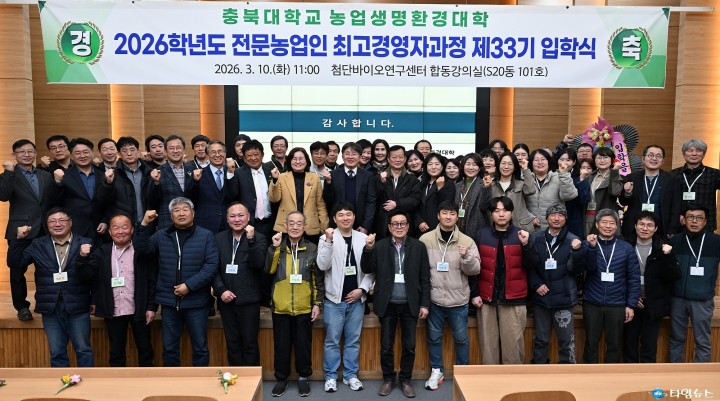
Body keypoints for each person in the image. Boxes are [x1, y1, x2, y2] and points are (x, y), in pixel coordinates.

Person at [134, 198, 219, 367]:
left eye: (185, 209)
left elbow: (211, 266)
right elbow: (142, 249)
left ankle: (200, 381)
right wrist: (144, 224)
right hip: (169, 303)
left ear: (193, 213)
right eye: (176, 210)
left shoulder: (206, 235)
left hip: (196, 302)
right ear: (171, 215)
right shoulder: (161, 235)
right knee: (169, 349)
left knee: (200, 348)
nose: (181, 213)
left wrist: (189, 286)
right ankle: (172, 382)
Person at [8, 208, 94, 367]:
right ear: (47, 225)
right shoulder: (38, 244)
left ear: (70, 223)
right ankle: (61, 382)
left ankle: (87, 382)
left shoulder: (85, 243)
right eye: (52, 221)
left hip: (78, 305)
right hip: (50, 307)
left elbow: (93, 275)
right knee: (57, 352)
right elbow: (15, 264)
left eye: (62, 220)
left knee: (83, 350)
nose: (57, 224)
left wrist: (83, 258)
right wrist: (18, 239)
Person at [361, 209, 430, 398]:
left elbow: (425, 277)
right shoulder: (380, 246)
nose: (399, 227)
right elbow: (367, 268)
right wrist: (368, 249)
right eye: (395, 224)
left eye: (403, 223)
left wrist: (425, 304)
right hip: (387, 303)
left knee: (409, 346)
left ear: (408, 226)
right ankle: (388, 379)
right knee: (386, 346)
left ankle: (405, 380)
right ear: (389, 227)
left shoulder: (418, 246)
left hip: (410, 303)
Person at [78, 213, 156, 367]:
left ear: (132, 230)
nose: (120, 231)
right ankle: (118, 381)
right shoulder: (102, 251)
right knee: (116, 352)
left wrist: (151, 307)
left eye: (125, 227)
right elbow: (86, 275)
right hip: (113, 309)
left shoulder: (141, 251)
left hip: (139, 309)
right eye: (116, 228)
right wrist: (82, 257)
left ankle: (147, 378)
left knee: (145, 349)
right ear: (110, 231)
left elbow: (152, 281)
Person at [419, 201, 480, 390]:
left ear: (457, 216)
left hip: (458, 300)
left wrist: (467, 257)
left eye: (452, 213)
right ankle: (436, 370)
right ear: (438, 215)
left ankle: (463, 371)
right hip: (434, 299)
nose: (448, 216)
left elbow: (475, 270)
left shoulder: (467, 241)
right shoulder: (425, 239)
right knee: (434, 338)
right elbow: (420, 270)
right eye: (444, 213)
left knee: (461, 339)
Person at [1, 139, 62, 320]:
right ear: (14, 155)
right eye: (22, 152)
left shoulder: (45, 175)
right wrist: (8, 172)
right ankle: (21, 307)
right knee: (17, 270)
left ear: (35, 153)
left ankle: (42, 303)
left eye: (30, 151)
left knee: (44, 269)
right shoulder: (8, 175)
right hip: (21, 230)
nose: (26, 155)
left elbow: (53, 200)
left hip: (44, 229)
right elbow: (3, 196)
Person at [317, 202, 374, 393]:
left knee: (353, 341)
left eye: (348, 214)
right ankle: (331, 376)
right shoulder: (326, 237)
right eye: (340, 215)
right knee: (332, 341)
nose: (345, 218)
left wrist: (362, 290)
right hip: (334, 300)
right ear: (334, 219)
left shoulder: (363, 238)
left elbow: (371, 270)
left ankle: (351, 375)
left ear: (354, 217)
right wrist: (328, 241)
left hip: (356, 301)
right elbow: (322, 265)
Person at [266, 212, 323, 398]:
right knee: (281, 345)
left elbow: (317, 279)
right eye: (291, 223)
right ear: (285, 226)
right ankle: (281, 379)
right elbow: (269, 269)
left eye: (299, 223)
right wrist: (274, 248)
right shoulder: (278, 247)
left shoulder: (312, 248)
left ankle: (303, 378)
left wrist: (317, 303)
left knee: (303, 345)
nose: (295, 227)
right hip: (281, 306)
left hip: (303, 306)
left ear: (305, 226)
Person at [472, 196, 534, 365]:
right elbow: (474, 269)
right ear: (491, 214)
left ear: (511, 213)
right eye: (496, 211)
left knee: (513, 346)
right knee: (488, 346)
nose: (501, 214)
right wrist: (475, 293)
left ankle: (512, 379)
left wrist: (526, 245)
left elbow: (531, 265)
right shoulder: (481, 234)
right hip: (486, 297)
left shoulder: (521, 234)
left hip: (514, 298)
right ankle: (490, 380)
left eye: (505, 210)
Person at [528, 204, 586, 364]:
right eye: (553, 215)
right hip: (541, 297)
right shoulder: (536, 238)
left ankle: (567, 371)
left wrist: (578, 252)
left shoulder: (573, 240)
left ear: (565, 219)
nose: (556, 218)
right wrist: (536, 284)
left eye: (560, 215)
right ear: (546, 218)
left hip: (564, 299)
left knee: (567, 341)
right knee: (540, 339)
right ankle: (539, 369)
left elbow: (578, 271)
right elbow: (529, 265)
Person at [213, 202, 267, 366]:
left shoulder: (259, 238)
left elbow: (258, 264)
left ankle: (252, 379)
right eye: (232, 216)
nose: (237, 219)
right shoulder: (218, 238)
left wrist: (251, 240)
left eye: (241, 215)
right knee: (232, 343)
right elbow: (212, 268)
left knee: (250, 343)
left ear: (248, 217)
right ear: (227, 219)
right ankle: (236, 377)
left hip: (249, 300)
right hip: (226, 300)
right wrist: (221, 290)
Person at [582, 209, 640, 363]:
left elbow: (633, 278)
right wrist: (591, 248)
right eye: (604, 222)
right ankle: (588, 374)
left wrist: (631, 305)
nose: (608, 226)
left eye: (612, 223)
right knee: (590, 343)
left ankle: (612, 375)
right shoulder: (587, 244)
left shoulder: (626, 248)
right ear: (597, 224)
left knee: (615, 345)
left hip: (617, 304)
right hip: (592, 302)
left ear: (617, 226)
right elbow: (583, 268)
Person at [624, 211, 679, 363]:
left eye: (649, 225)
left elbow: (673, 276)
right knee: (629, 344)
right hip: (631, 303)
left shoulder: (663, 248)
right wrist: (631, 298)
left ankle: (647, 377)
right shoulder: (626, 246)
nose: (645, 228)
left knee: (649, 345)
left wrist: (668, 256)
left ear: (655, 229)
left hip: (654, 304)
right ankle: (630, 376)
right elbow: (619, 276)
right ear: (635, 226)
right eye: (641, 224)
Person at [668, 204, 720, 363]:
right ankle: (675, 372)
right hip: (678, 299)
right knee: (676, 338)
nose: (694, 221)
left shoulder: (716, 241)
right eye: (690, 217)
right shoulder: (675, 241)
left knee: (702, 341)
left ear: (705, 221)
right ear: (684, 220)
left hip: (702, 300)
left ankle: (700, 373)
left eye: (699, 218)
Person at [619, 144, 682, 239]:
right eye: (650, 155)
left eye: (658, 156)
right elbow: (623, 202)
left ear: (663, 161)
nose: (654, 158)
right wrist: (627, 193)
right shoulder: (632, 177)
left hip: (661, 228)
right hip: (634, 228)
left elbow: (676, 206)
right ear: (643, 159)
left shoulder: (672, 179)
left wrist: (672, 229)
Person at [269, 147, 329, 244]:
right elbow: (274, 199)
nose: (298, 162)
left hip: (310, 225)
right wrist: (275, 179)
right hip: (287, 225)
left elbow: (320, 203)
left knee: (311, 252)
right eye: (294, 159)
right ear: (289, 161)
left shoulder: (314, 178)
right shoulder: (282, 177)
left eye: (301, 159)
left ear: (306, 161)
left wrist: (324, 224)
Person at [57, 137, 107, 242]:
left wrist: (105, 220)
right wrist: (57, 183)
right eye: (78, 153)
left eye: (86, 152)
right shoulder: (64, 176)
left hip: (100, 228)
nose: (82, 156)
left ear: (92, 153)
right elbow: (56, 201)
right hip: (75, 228)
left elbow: (109, 201)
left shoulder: (102, 175)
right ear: (71, 156)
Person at [185, 140, 238, 234]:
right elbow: (189, 198)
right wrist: (195, 181)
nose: (217, 155)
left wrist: (230, 173)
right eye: (213, 152)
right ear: (207, 155)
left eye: (220, 151)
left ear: (225, 154)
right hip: (205, 225)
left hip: (229, 224)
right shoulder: (199, 174)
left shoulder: (233, 172)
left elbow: (234, 195)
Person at [323, 142, 376, 234]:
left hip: (360, 225)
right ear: (342, 157)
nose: (350, 157)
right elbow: (328, 201)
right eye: (347, 154)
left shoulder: (368, 176)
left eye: (354, 154)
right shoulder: (333, 175)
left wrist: (365, 226)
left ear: (360, 157)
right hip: (338, 224)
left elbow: (371, 202)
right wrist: (328, 182)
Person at [96, 136, 152, 224]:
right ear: (119, 153)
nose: (129, 153)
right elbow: (103, 201)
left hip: (147, 221)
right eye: (124, 151)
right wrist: (108, 183)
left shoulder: (148, 172)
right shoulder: (112, 174)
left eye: (132, 150)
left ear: (138, 152)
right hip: (123, 224)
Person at [146, 134, 196, 230]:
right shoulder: (157, 172)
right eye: (171, 148)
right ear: (165, 151)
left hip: (191, 221)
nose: (175, 151)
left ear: (184, 150)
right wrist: (156, 183)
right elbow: (151, 200)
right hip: (167, 221)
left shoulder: (193, 170)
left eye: (178, 148)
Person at [671, 139, 720, 233]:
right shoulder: (673, 174)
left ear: (704, 154)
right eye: (690, 150)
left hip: (706, 225)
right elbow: (669, 200)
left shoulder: (714, 174)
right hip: (679, 225)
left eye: (698, 150)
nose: (694, 154)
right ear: (683, 153)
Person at [373, 145, 422, 239]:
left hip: (404, 224)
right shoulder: (378, 178)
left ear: (405, 159)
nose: (398, 160)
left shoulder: (412, 179)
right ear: (388, 159)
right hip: (383, 225)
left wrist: (397, 204)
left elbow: (416, 199)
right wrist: (382, 184)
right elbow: (373, 198)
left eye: (400, 157)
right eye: (394, 157)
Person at [525, 148, 578, 231]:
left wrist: (564, 174)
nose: (540, 162)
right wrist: (529, 218)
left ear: (549, 161)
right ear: (531, 163)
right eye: (536, 160)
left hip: (554, 227)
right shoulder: (526, 179)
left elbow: (568, 196)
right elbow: (519, 205)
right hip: (530, 228)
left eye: (543, 159)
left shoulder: (559, 177)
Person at [234, 139, 275, 241]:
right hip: (249, 223)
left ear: (262, 155)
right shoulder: (238, 173)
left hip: (271, 223)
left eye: (256, 154)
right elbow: (232, 195)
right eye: (249, 155)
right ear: (244, 158)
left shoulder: (271, 170)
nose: (253, 158)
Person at [491, 152, 536, 233]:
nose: (506, 167)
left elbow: (531, 190)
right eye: (503, 163)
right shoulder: (492, 185)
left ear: (514, 167)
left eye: (510, 164)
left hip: (520, 227)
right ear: (498, 165)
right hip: (497, 228)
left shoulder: (520, 183)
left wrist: (525, 169)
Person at [414, 153, 456, 238]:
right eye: (430, 164)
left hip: (438, 228)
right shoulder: (421, 184)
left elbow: (446, 206)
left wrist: (440, 188)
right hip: (420, 228)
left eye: (437, 164)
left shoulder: (449, 184)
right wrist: (419, 221)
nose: (433, 167)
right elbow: (415, 205)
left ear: (442, 166)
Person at [584, 147, 622, 236]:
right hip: (589, 216)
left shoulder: (616, 176)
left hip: (606, 218)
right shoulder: (589, 176)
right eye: (599, 158)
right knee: (589, 241)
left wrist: (614, 172)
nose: (602, 160)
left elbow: (615, 192)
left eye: (605, 157)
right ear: (594, 160)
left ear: (612, 160)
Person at [454, 153, 492, 238]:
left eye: (474, 165)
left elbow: (484, 206)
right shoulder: (457, 186)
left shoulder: (484, 183)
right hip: (458, 227)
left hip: (477, 228)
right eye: (468, 164)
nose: (471, 168)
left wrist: (486, 188)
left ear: (480, 168)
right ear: (463, 166)